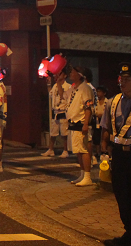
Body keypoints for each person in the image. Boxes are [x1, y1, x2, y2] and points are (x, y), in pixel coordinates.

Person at [101, 62, 131, 246]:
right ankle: (128, 231)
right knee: (121, 193)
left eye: (127, 80)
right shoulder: (114, 102)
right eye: (121, 79)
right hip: (120, 155)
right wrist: (104, 148)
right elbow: (106, 128)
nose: (123, 83)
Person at [66, 65, 94, 186]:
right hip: (73, 123)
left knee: (84, 150)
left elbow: (88, 107)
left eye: (73, 72)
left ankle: (88, 176)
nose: (71, 74)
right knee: (78, 150)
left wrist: (86, 123)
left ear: (80, 75)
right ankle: (82, 174)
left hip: (81, 123)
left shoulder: (85, 88)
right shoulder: (74, 88)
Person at [43, 67, 71, 157]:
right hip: (55, 111)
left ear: (65, 75)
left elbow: (63, 95)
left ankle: (65, 150)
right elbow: (51, 94)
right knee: (53, 132)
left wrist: (58, 82)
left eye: (60, 74)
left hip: (63, 111)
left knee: (64, 133)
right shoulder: (55, 85)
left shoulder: (68, 86)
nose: (58, 75)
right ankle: (51, 149)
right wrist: (48, 84)